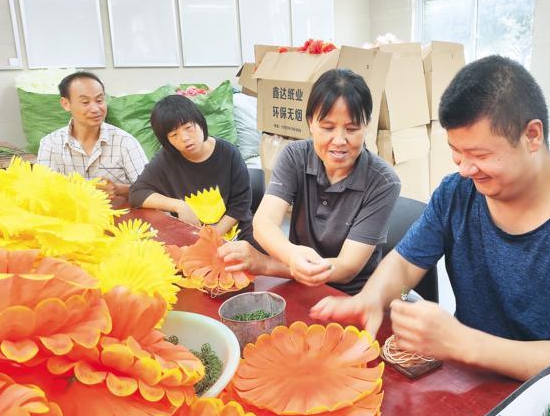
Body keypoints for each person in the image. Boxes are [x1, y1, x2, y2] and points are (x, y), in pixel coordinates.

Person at [311, 55, 550, 380]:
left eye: (480, 155)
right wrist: (373, 297)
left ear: (532, 136)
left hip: (539, 394)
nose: (465, 169)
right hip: (466, 379)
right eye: (456, 151)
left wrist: (461, 343)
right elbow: (406, 264)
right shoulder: (457, 193)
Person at [251, 68, 402, 295]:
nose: (339, 140)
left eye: (352, 129)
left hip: (352, 294)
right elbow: (264, 222)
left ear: (367, 125)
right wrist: (291, 255)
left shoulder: (383, 182)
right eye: (327, 127)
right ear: (310, 123)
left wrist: (266, 265)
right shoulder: (295, 157)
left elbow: (347, 268)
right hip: (299, 285)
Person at [129, 94, 256, 245]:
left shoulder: (229, 153)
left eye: (188, 128)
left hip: (237, 233)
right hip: (191, 237)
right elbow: (137, 193)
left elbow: (241, 205)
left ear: (200, 122)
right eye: (174, 135)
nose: (184, 138)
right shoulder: (166, 159)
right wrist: (179, 205)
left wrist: (212, 236)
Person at [37, 71, 147, 199]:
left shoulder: (125, 141)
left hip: (118, 211)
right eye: (85, 102)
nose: (95, 109)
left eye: (99, 100)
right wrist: (79, 189)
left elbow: (150, 189)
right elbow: (43, 191)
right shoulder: (50, 144)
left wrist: (119, 190)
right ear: (66, 104)